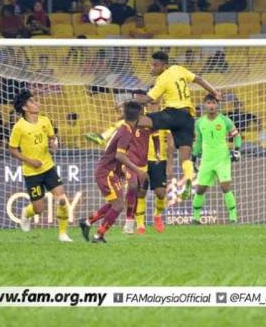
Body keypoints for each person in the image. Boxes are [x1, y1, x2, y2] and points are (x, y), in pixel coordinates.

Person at [134, 51, 222, 198]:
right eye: (152, 64)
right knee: (185, 158)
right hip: (188, 117)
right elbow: (198, 79)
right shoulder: (178, 69)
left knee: (139, 120)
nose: (152, 67)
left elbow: (149, 98)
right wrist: (215, 92)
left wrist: (127, 103)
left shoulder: (162, 78)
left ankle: (115, 138)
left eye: (155, 65)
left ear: (164, 66)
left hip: (172, 114)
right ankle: (188, 178)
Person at [79, 102, 150, 243]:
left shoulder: (124, 128)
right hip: (106, 172)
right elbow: (119, 156)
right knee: (118, 205)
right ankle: (99, 235)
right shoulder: (127, 132)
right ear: (139, 116)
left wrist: (121, 171)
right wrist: (138, 171)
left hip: (111, 171)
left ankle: (87, 222)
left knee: (116, 203)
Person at [8, 89, 72, 242]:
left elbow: (52, 139)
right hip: (31, 173)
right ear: (24, 108)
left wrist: (53, 145)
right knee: (39, 208)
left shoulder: (45, 120)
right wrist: (29, 161)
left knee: (62, 199)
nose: (36, 103)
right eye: (31, 101)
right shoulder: (19, 127)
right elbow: (12, 149)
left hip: (48, 168)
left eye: (35, 100)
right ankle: (26, 213)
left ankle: (63, 234)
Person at [192, 94, 242, 224]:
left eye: (213, 103)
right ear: (204, 105)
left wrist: (236, 150)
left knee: (225, 187)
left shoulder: (225, 120)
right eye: (208, 103)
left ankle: (233, 217)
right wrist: (193, 158)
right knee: (200, 189)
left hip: (222, 159)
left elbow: (237, 136)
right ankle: (196, 218)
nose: (211, 106)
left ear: (217, 105)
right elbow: (198, 142)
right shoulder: (199, 122)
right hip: (207, 160)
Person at [130, 100, 174, 235]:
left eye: (155, 103)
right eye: (150, 103)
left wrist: (170, 164)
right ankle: (140, 224)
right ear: (146, 104)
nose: (152, 105)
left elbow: (170, 141)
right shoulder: (142, 119)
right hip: (141, 160)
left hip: (159, 160)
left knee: (161, 193)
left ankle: (157, 216)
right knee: (141, 192)